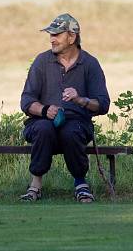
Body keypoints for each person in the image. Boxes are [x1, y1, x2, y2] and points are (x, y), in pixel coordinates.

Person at [19, 13, 110, 202]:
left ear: (72, 37)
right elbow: (26, 101)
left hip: (77, 123)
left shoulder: (90, 63)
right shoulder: (41, 61)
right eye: (50, 35)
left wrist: (80, 100)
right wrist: (45, 110)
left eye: (57, 34)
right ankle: (35, 185)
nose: (52, 39)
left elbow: (103, 104)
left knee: (72, 131)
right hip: (41, 122)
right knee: (44, 129)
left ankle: (80, 184)